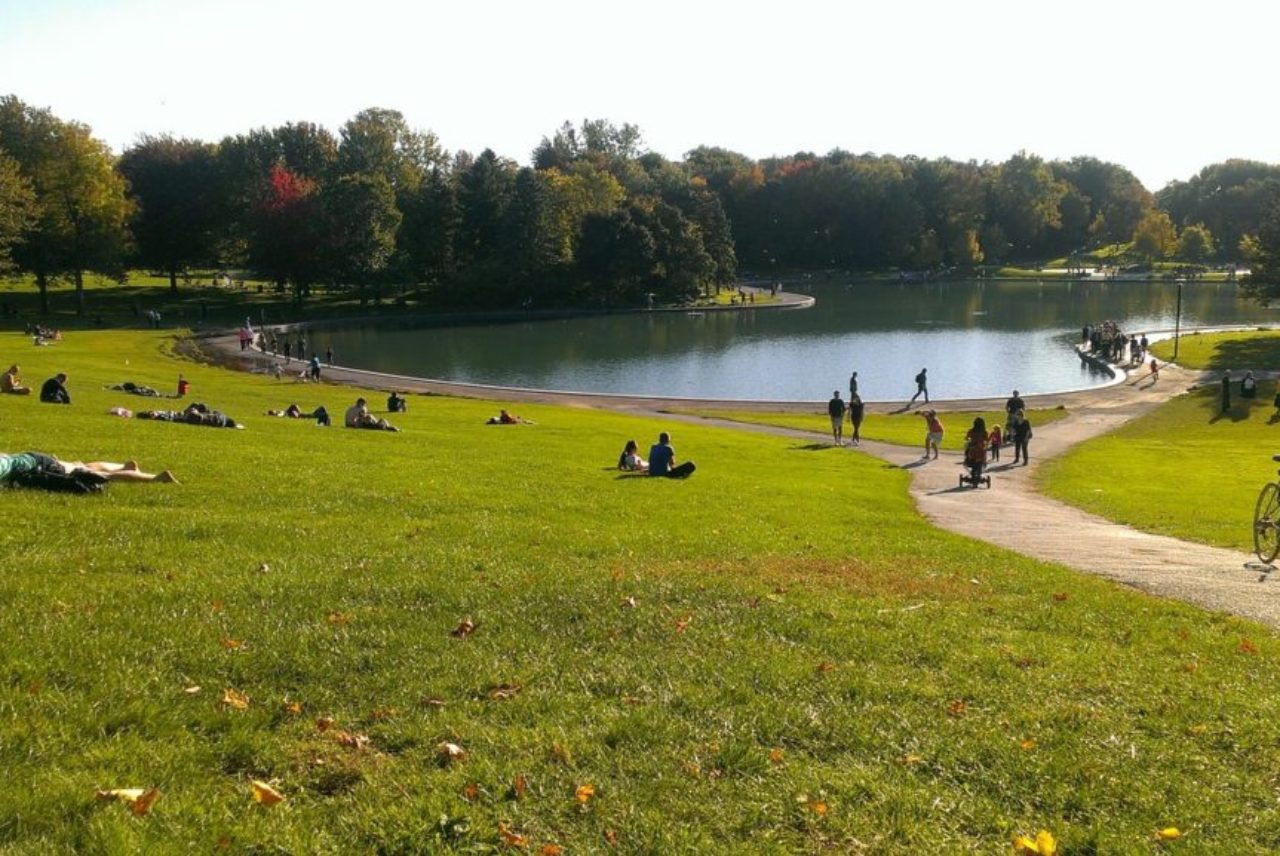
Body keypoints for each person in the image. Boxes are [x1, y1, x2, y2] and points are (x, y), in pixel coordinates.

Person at [0, 451, 177, 487]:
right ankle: (125, 467)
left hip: (35, 466)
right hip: (29, 458)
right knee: (80, 466)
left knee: (93, 475)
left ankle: (156, 478)